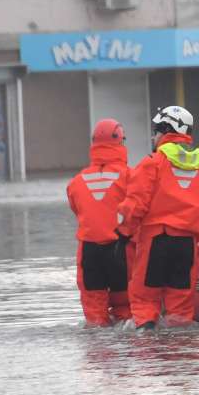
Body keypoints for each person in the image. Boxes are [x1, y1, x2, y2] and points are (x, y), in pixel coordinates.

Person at [116, 105, 199, 329]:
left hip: (154, 242)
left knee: (144, 302)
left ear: (168, 129)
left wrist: (122, 235)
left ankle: (148, 352)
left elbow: (135, 205)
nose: (154, 135)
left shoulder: (152, 163)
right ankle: (181, 356)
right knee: (180, 310)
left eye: (157, 130)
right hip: (186, 245)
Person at [66, 119, 132, 326]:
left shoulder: (76, 182)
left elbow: (78, 210)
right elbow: (137, 210)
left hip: (89, 252)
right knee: (126, 310)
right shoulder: (130, 177)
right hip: (121, 250)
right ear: (121, 144)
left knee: (95, 316)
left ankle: (99, 355)